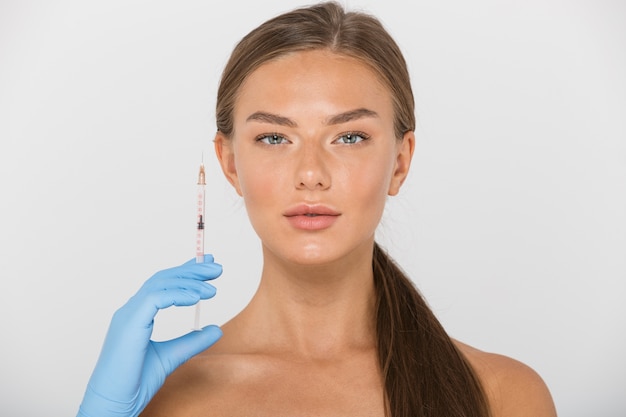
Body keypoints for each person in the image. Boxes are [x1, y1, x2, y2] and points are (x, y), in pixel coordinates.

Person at [77, 2, 557, 417]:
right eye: (274, 138)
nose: (310, 173)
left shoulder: (502, 395)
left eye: (349, 137)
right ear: (229, 164)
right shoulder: (159, 399)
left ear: (400, 161)